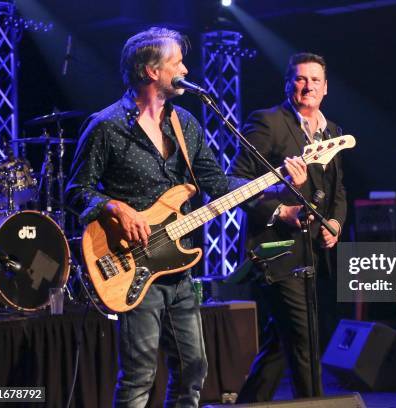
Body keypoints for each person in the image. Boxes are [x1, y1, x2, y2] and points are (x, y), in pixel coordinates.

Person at [65, 27, 307, 407]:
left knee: (193, 368)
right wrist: (116, 207)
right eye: (176, 62)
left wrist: (275, 187)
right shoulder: (107, 126)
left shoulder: (186, 124)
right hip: (131, 268)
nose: (185, 68)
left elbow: (216, 182)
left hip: (178, 269)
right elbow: (75, 191)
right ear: (149, 70)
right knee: (139, 376)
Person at [230, 52, 347, 402]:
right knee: (304, 339)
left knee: (281, 343)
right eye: (300, 78)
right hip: (276, 250)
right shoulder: (267, 122)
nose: (307, 85)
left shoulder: (333, 132)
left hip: (314, 252)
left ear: (325, 88)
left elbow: (338, 191)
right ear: (288, 84)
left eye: (314, 80)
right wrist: (281, 208)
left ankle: (249, 403)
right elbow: (235, 182)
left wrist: (336, 224)